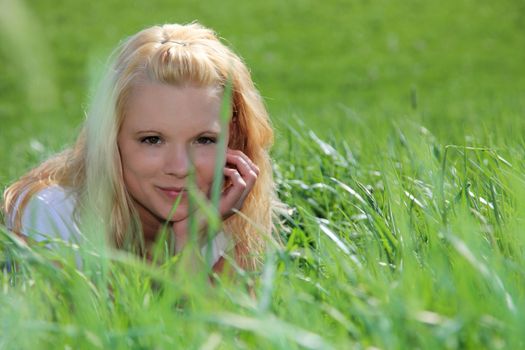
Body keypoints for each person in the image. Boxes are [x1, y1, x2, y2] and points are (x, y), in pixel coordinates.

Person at [2, 22, 277, 271]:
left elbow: (221, 326)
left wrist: (192, 242)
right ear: (110, 139)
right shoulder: (50, 219)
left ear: (234, 138)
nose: (180, 167)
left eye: (204, 140)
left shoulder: (224, 219)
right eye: (152, 140)